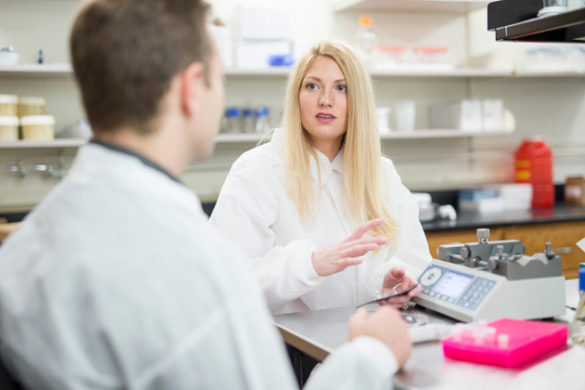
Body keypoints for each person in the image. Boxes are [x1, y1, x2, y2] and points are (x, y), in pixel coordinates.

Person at [0, 1, 412, 389]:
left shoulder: (25, 248)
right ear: (192, 88)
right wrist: (371, 355)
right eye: (220, 79)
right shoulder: (191, 268)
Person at [210, 40, 432, 316]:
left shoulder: (380, 172)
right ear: (296, 97)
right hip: (288, 350)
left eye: (341, 88)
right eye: (312, 85)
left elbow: (416, 261)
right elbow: (225, 285)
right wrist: (310, 265)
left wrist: (389, 285)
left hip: (367, 337)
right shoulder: (258, 170)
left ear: (358, 101)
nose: (325, 99)